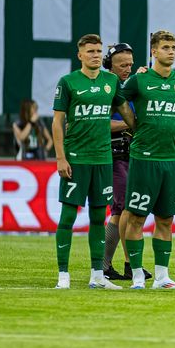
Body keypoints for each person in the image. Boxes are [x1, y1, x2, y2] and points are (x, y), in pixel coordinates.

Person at [117, 31, 175, 290]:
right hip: (144, 158)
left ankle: (163, 277)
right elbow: (118, 98)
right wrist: (133, 125)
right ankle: (137, 276)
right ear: (153, 51)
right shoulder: (139, 80)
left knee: (165, 219)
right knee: (136, 219)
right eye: (165, 47)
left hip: (169, 159)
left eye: (174, 47)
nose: (171, 51)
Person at [50, 34, 135, 290]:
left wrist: (142, 130)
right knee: (67, 218)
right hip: (76, 160)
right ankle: (63, 274)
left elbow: (128, 114)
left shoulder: (111, 82)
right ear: (80, 55)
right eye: (90, 51)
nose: (95, 55)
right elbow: (57, 121)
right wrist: (60, 157)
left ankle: (98, 274)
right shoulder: (68, 82)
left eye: (98, 51)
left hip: (103, 160)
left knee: (99, 218)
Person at [101, 42, 144, 282]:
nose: (128, 68)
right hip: (114, 153)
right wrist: (133, 123)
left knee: (120, 210)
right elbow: (101, 123)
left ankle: (108, 266)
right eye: (122, 65)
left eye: (130, 64)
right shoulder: (106, 87)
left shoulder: (127, 85)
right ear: (110, 65)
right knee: (123, 207)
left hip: (131, 153)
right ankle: (123, 265)